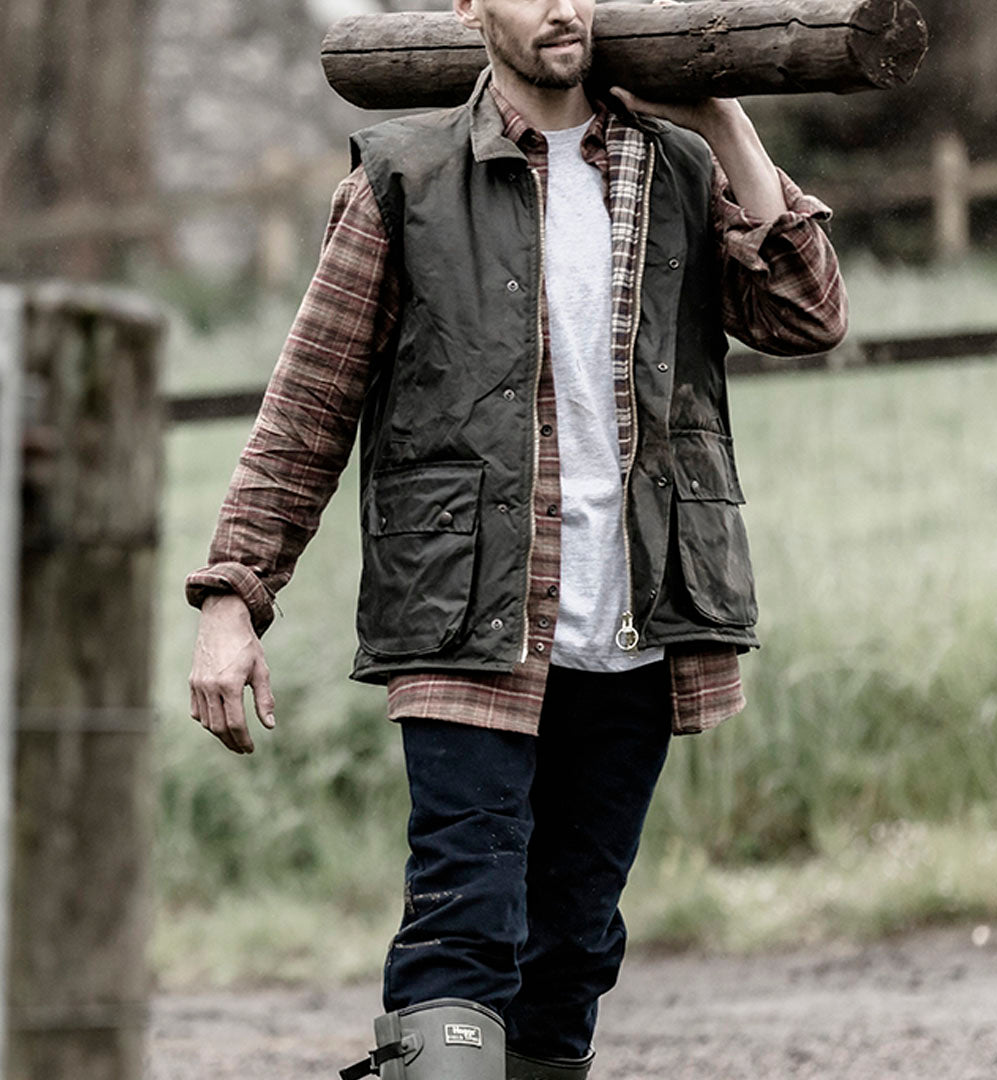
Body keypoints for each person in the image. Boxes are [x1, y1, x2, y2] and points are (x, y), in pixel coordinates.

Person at [185, 0, 847, 1072]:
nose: (561, 5)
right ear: (467, 7)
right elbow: (309, 402)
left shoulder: (674, 168)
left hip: (636, 625)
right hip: (469, 625)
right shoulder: (405, 180)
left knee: (572, 948)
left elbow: (806, 313)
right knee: (463, 930)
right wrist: (232, 598)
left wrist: (722, 114)